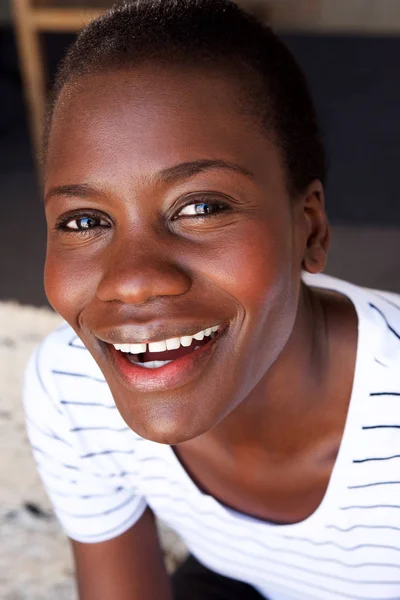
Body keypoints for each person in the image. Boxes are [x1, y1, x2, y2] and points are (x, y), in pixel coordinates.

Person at [23, 1, 400, 599]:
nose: (132, 280)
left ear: (311, 228)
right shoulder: (71, 387)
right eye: (84, 219)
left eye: (201, 207)